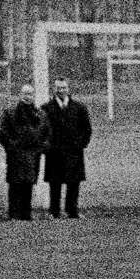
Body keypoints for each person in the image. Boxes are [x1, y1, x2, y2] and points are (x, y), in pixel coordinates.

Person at [0, 82, 50, 220]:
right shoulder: (10, 113)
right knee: (15, 185)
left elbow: (47, 134)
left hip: (33, 156)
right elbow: (3, 135)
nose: (28, 96)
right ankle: (13, 215)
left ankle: (26, 215)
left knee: (28, 185)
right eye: (25, 93)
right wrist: (13, 148)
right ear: (20, 95)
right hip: (15, 156)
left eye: (30, 94)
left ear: (34, 96)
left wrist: (39, 149)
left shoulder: (40, 114)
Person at [43, 77, 93, 219]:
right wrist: (47, 148)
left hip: (74, 152)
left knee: (74, 182)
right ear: (54, 89)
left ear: (68, 88)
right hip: (54, 153)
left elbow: (87, 129)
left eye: (64, 87)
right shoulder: (46, 108)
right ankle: (54, 211)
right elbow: (42, 130)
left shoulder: (79, 108)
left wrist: (80, 144)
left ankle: (72, 211)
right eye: (58, 88)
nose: (61, 90)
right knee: (55, 183)